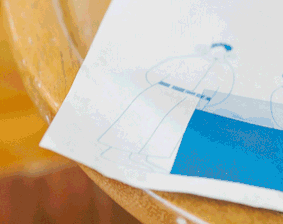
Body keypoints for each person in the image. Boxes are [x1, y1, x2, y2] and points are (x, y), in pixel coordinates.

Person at [99, 43, 236, 170]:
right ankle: (114, 151)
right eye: (217, 51)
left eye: (222, 53)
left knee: (166, 131)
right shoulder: (188, 60)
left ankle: (142, 157)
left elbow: (223, 92)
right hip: (164, 91)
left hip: (191, 101)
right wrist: (160, 86)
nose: (218, 55)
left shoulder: (224, 71)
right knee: (142, 122)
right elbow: (155, 72)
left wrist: (204, 102)